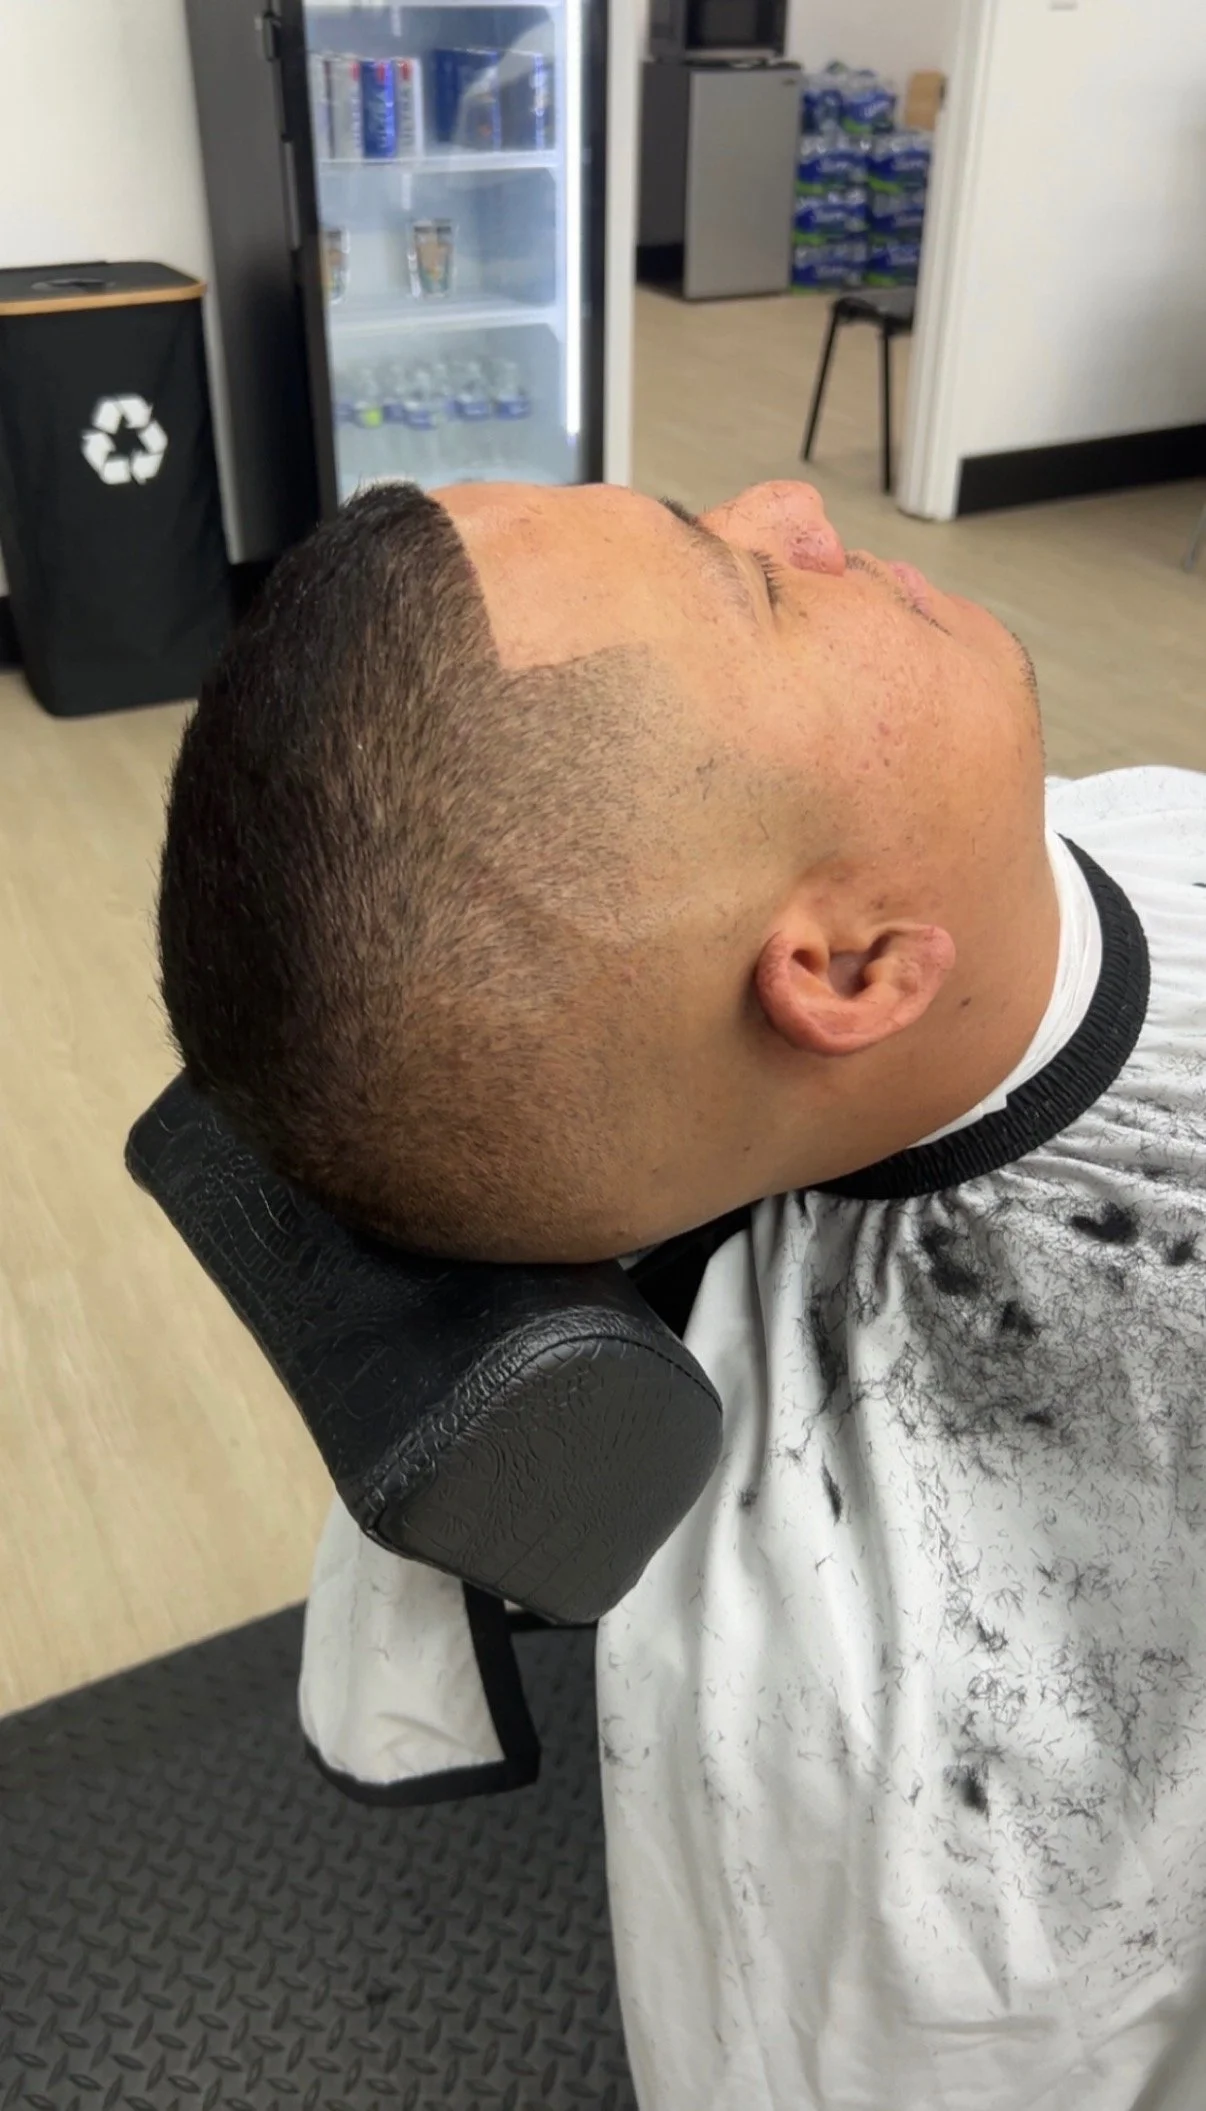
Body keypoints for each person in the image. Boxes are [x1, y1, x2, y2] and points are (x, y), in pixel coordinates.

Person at [158, 478, 1206, 2111]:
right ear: (852, 967)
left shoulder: (1043, 840)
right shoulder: (925, 1756)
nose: (792, 503)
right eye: (761, 590)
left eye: (693, 506)